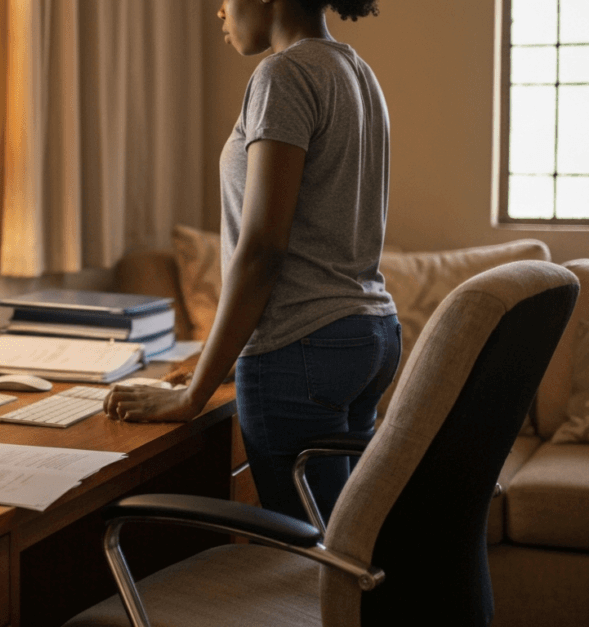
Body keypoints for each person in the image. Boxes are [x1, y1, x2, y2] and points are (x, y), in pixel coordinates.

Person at [104, 0, 400, 525]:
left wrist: (195, 396)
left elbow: (263, 249)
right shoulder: (357, 70)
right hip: (367, 338)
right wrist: (213, 366)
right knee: (348, 538)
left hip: (302, 348)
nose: (218, 10)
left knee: (311, 562)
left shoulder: (282, 74)